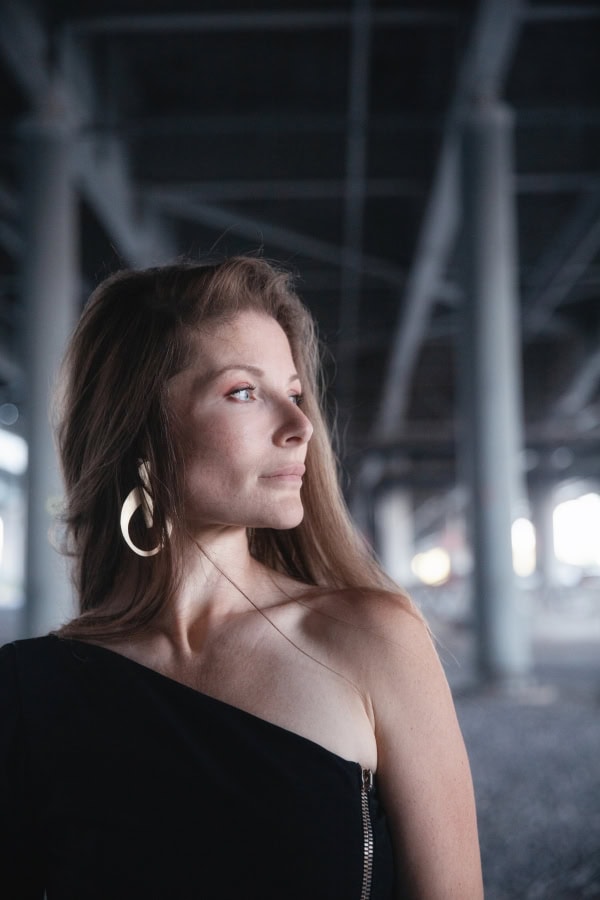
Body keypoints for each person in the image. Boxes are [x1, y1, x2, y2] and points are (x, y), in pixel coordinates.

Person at [0, 256, 483, 899]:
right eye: (244, 392)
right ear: (138, 426)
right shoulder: (27, 692)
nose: (301, 427)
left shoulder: (371, 640)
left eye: (295, 393)